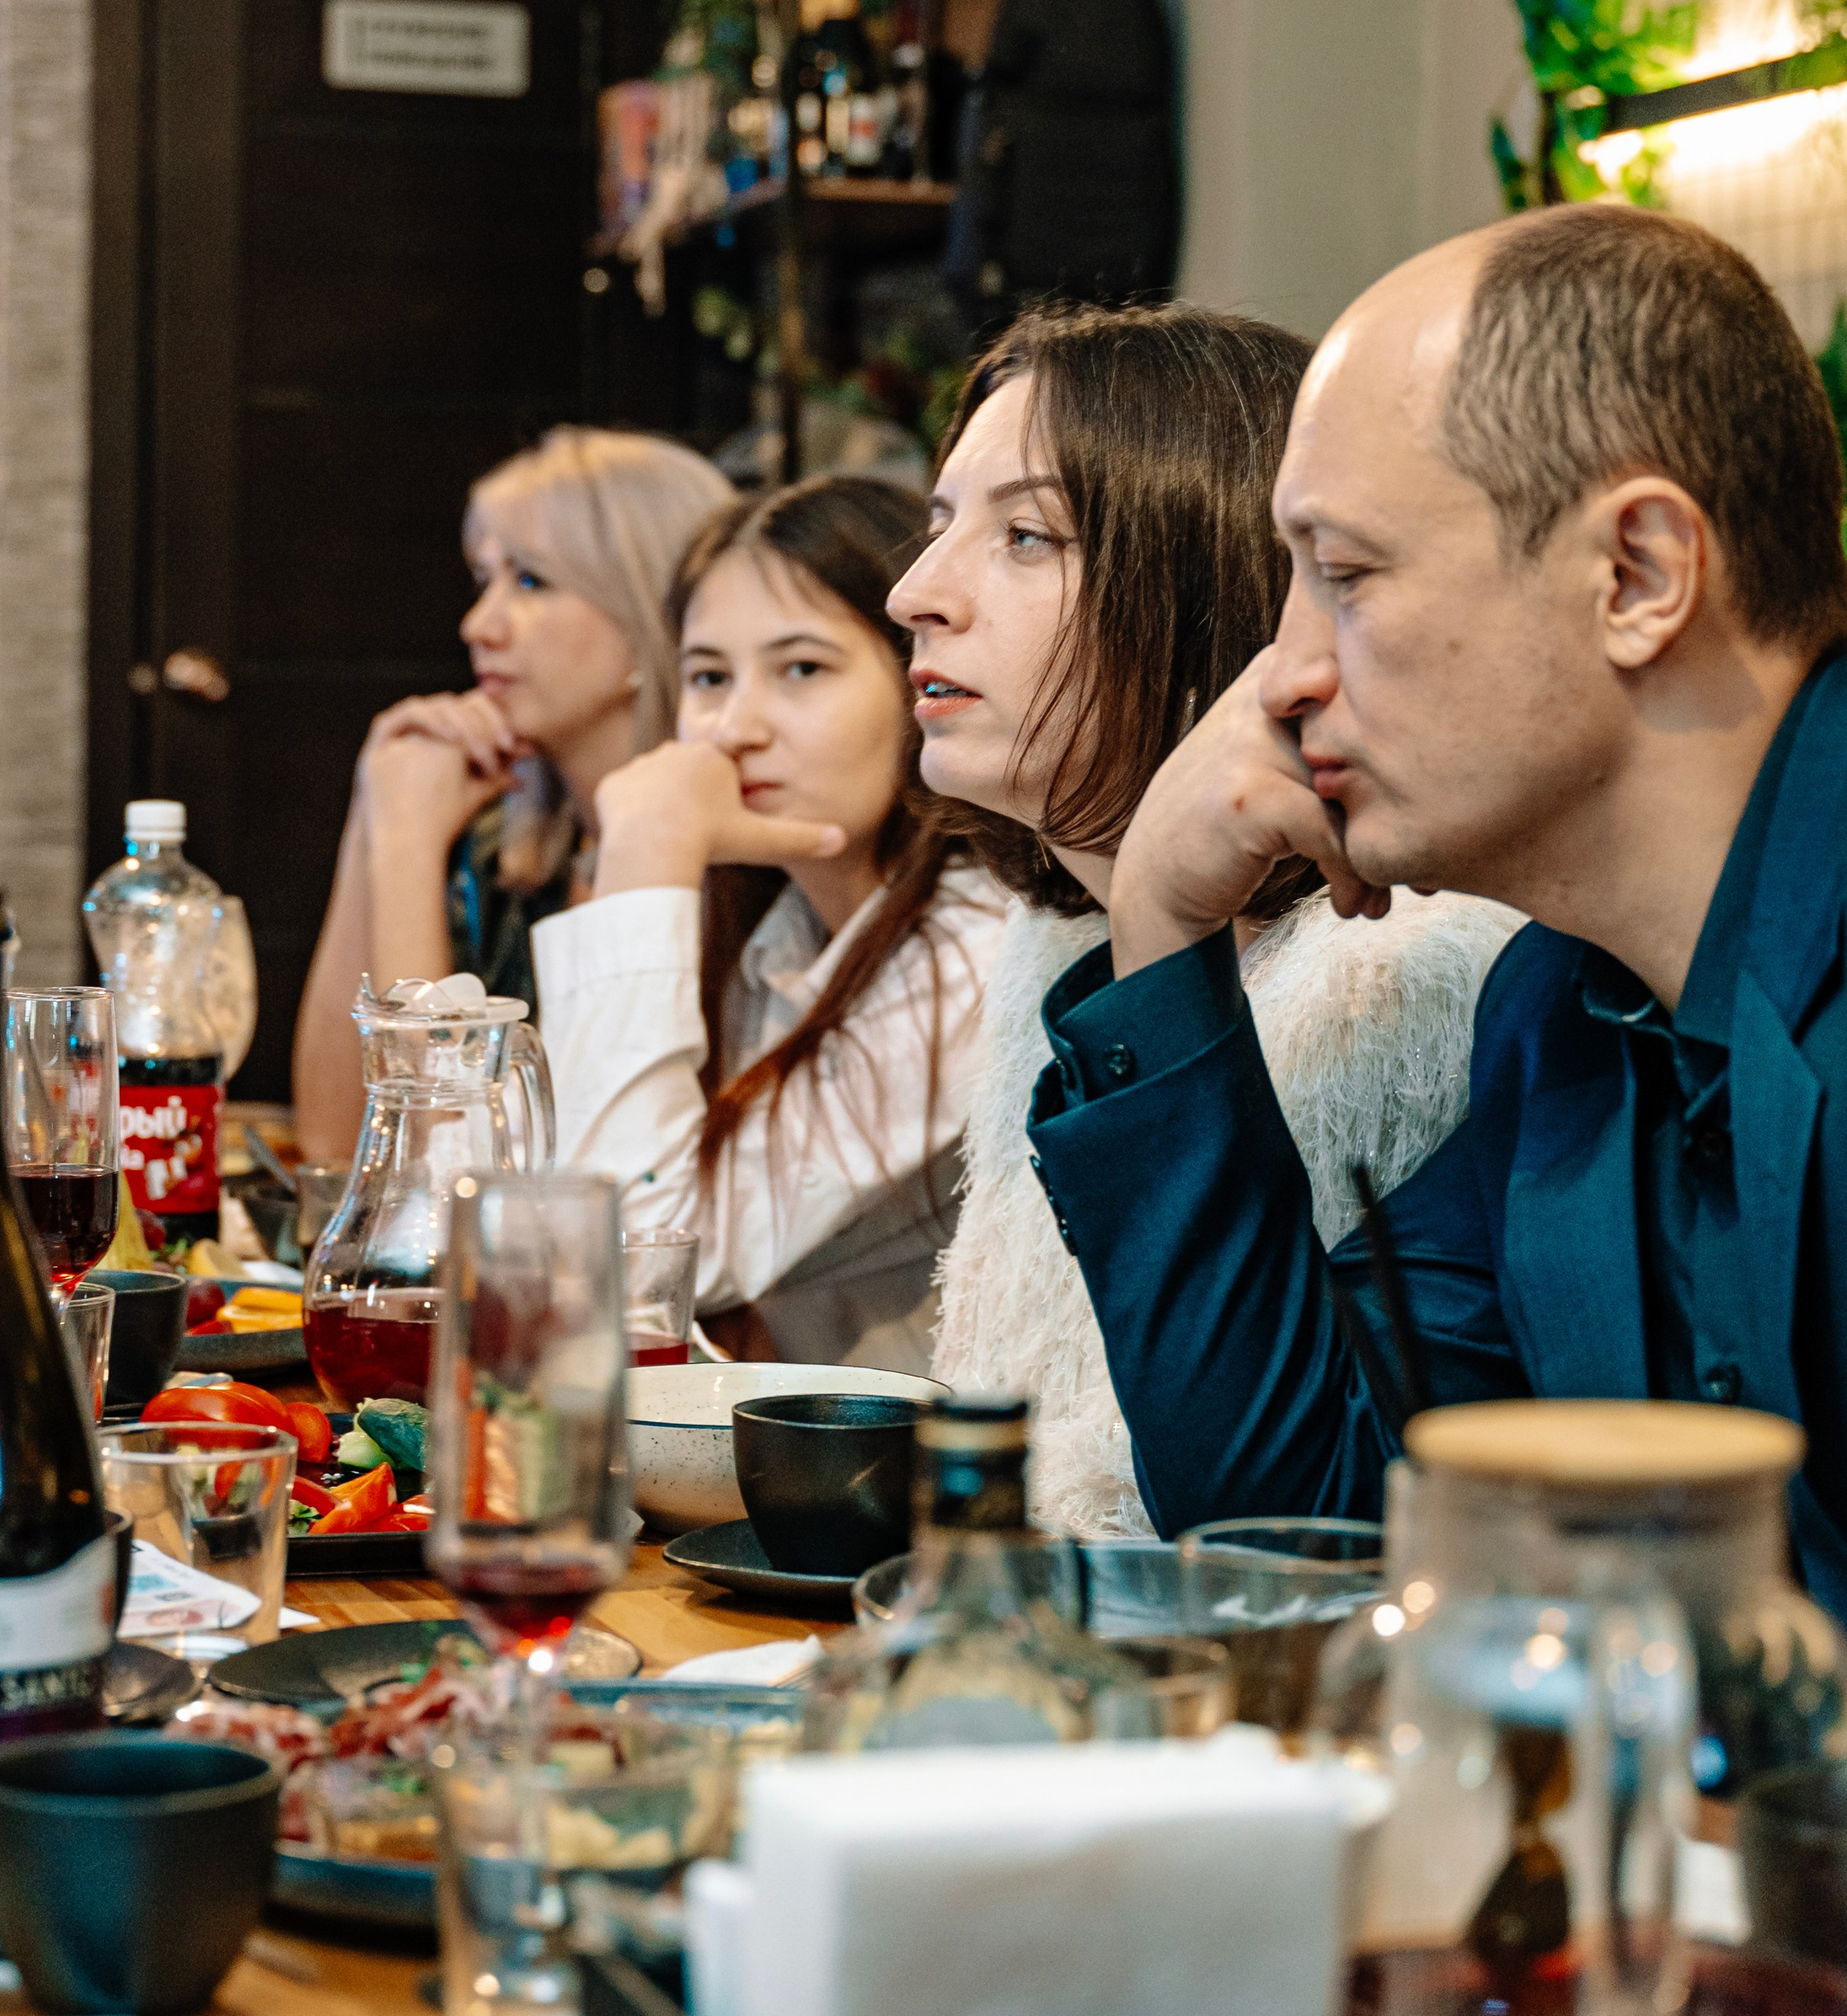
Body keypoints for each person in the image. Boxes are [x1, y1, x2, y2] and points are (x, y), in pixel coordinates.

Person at [1024, 203, 1847, 1612]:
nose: (1275, 676)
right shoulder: (1561, 1016)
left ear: (1638, 574)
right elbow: (1306, 1521)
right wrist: (1162, 924)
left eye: (1342, 575)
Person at [886, 303, 1516, 1531]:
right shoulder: (1059, 940)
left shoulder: (1404, 969)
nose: (917, 592)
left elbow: (1260, 1524)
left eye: (1025, 535)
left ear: (1214, 587)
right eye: (937, 525)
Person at [532, 476, 1010, 1373]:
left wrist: (641, 863)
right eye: (708, 676)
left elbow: (624, 1263)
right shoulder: (784, 931)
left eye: (801, 669)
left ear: (923, 681)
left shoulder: (978, 944)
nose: (733, 728)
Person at [292, 426, 734, 1159]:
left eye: (529, 581)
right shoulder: (509, 853)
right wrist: (377, 816)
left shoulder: (724, 869)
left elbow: (438, 1180)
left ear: (648, 613)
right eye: (483, 580)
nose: (478, 626)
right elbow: (334, 1144)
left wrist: (405, 851)